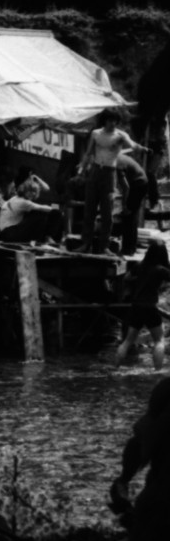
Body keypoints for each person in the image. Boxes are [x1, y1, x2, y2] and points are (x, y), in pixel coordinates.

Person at [79, 110, 142, 253]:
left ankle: (104, 246)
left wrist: (140, 148)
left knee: (107, 212)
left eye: (115, 121)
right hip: (95, 170)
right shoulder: (96, 133)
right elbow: (89, 153)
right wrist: (81, 170)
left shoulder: (120, 135)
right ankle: (85, 243)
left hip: (109, 172)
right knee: (89, 210)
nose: (112, 123)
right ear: (105, 121)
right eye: (110, 120)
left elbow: (132, 144)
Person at [117, 244, 170, 369]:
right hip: (150, 307)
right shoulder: (160, 270)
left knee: (127, 341)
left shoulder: (139, 265)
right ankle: (157, 371)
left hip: (136, 307)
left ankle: (116, 367)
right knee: (159, 341)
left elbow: (127, 277)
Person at [0, 177, 63, 245]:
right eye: (30, 191)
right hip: (9, 233)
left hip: (5, 233)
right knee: (42, 214)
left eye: (35, 191)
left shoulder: (15, 198)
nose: (33, 194)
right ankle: (47, 237)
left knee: (36, 213)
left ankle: (46, 238)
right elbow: (44, 208)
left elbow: (46, 191)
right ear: (24, 190)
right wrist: (59, 208)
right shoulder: (24, 202)